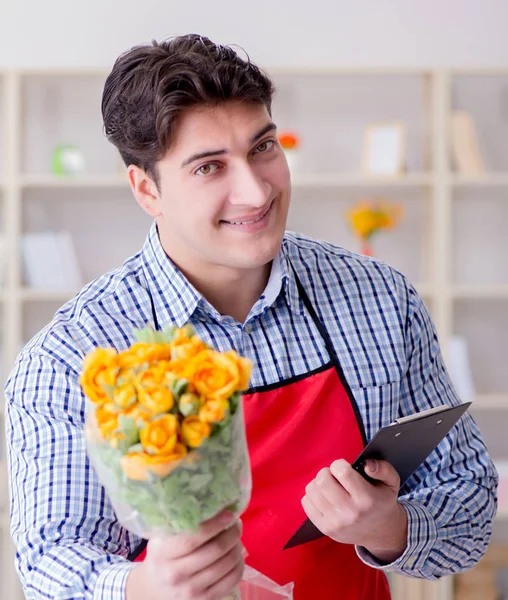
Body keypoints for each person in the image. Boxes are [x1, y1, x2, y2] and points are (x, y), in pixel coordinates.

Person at [5, 34, 497, 600]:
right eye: (210, 167)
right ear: (147, 190)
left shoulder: (380, 300)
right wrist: (143, 588)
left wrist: (389, 527)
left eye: (262, 147)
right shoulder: (74, 354)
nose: (256, 190)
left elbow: (472, 506)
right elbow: (50, 563)